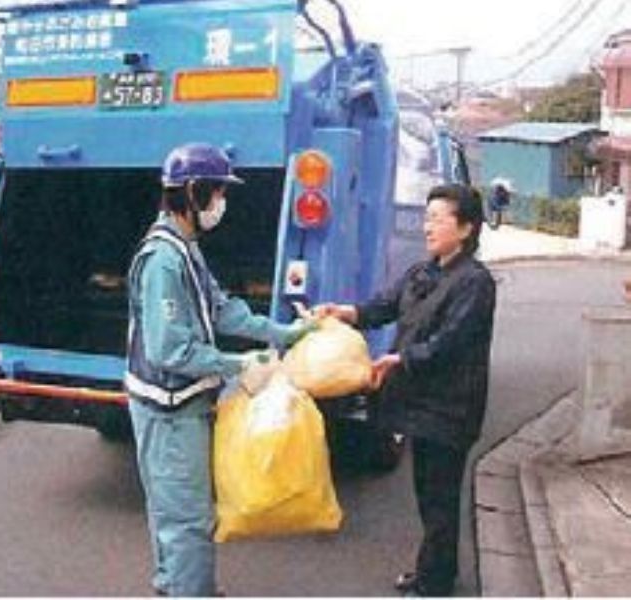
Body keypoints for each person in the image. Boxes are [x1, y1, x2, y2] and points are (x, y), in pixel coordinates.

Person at [125, 143, 312, 597]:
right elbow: (170, 350)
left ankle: (174, 584)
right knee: (188, 518)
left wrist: (283, 333)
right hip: (169, 410)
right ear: (193, 192)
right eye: (219, 192)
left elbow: (223, 309)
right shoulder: (164, 260)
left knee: (171, 509)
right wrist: (237, 365)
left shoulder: (184, 248)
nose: (222, 203)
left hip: (174, 406)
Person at [313, 183, 496, 597]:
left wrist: (400, 359)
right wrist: (344, 313)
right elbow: (383, 306)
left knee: (440, 497)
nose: (427, 227)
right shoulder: (422, 272)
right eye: (426, 218)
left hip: (451, 408)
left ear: (466, 228)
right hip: (421, 405)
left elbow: (450, 342)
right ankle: (432, 571)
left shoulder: (475, 282)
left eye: (438, 219)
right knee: (427, 494)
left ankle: (436, 583)